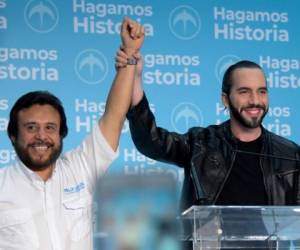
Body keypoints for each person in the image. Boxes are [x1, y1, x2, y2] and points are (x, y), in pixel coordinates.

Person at [0, 17, 144, 250]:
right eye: (30, 127)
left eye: (50, 128)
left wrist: (129, 54)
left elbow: (114, 117)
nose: (41, 136)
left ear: (61, 135)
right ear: (13, 136)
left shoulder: (80, 169)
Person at [116, 53, 300, 209]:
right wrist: (135, 77)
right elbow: (151, 142)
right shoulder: (200, 143)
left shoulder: (290, 154)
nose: (255, 100)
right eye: (244, 92)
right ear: (226, 100)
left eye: (262, 91)